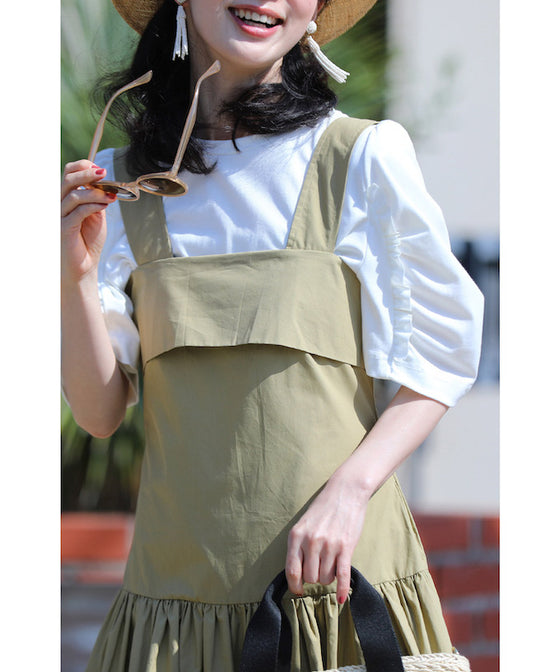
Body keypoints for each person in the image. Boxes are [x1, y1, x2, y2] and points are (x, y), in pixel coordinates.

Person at [61, 0, 484, 670]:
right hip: (176, 607)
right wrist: (75, 277)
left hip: (338, 593)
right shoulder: (123, 184)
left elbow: (441, 356)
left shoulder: (360, 156)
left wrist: (349, 493)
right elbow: (99, 413)